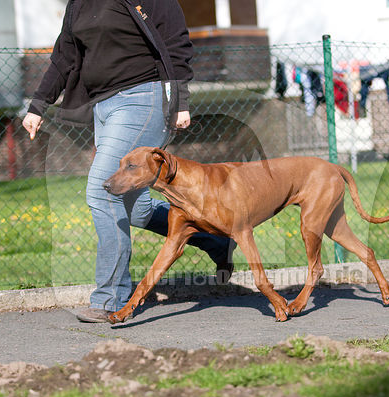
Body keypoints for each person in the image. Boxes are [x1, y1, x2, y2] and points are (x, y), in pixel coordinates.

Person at [22, 0, 235, 323]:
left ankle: (110, 298)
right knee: (138, 210)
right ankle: (216, 239)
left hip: (143, 98)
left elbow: (175, 40)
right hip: (103, 107)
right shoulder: (78, 3)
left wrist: (180, 100)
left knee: (103, 191)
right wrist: (38, 104)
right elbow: (64, 55)